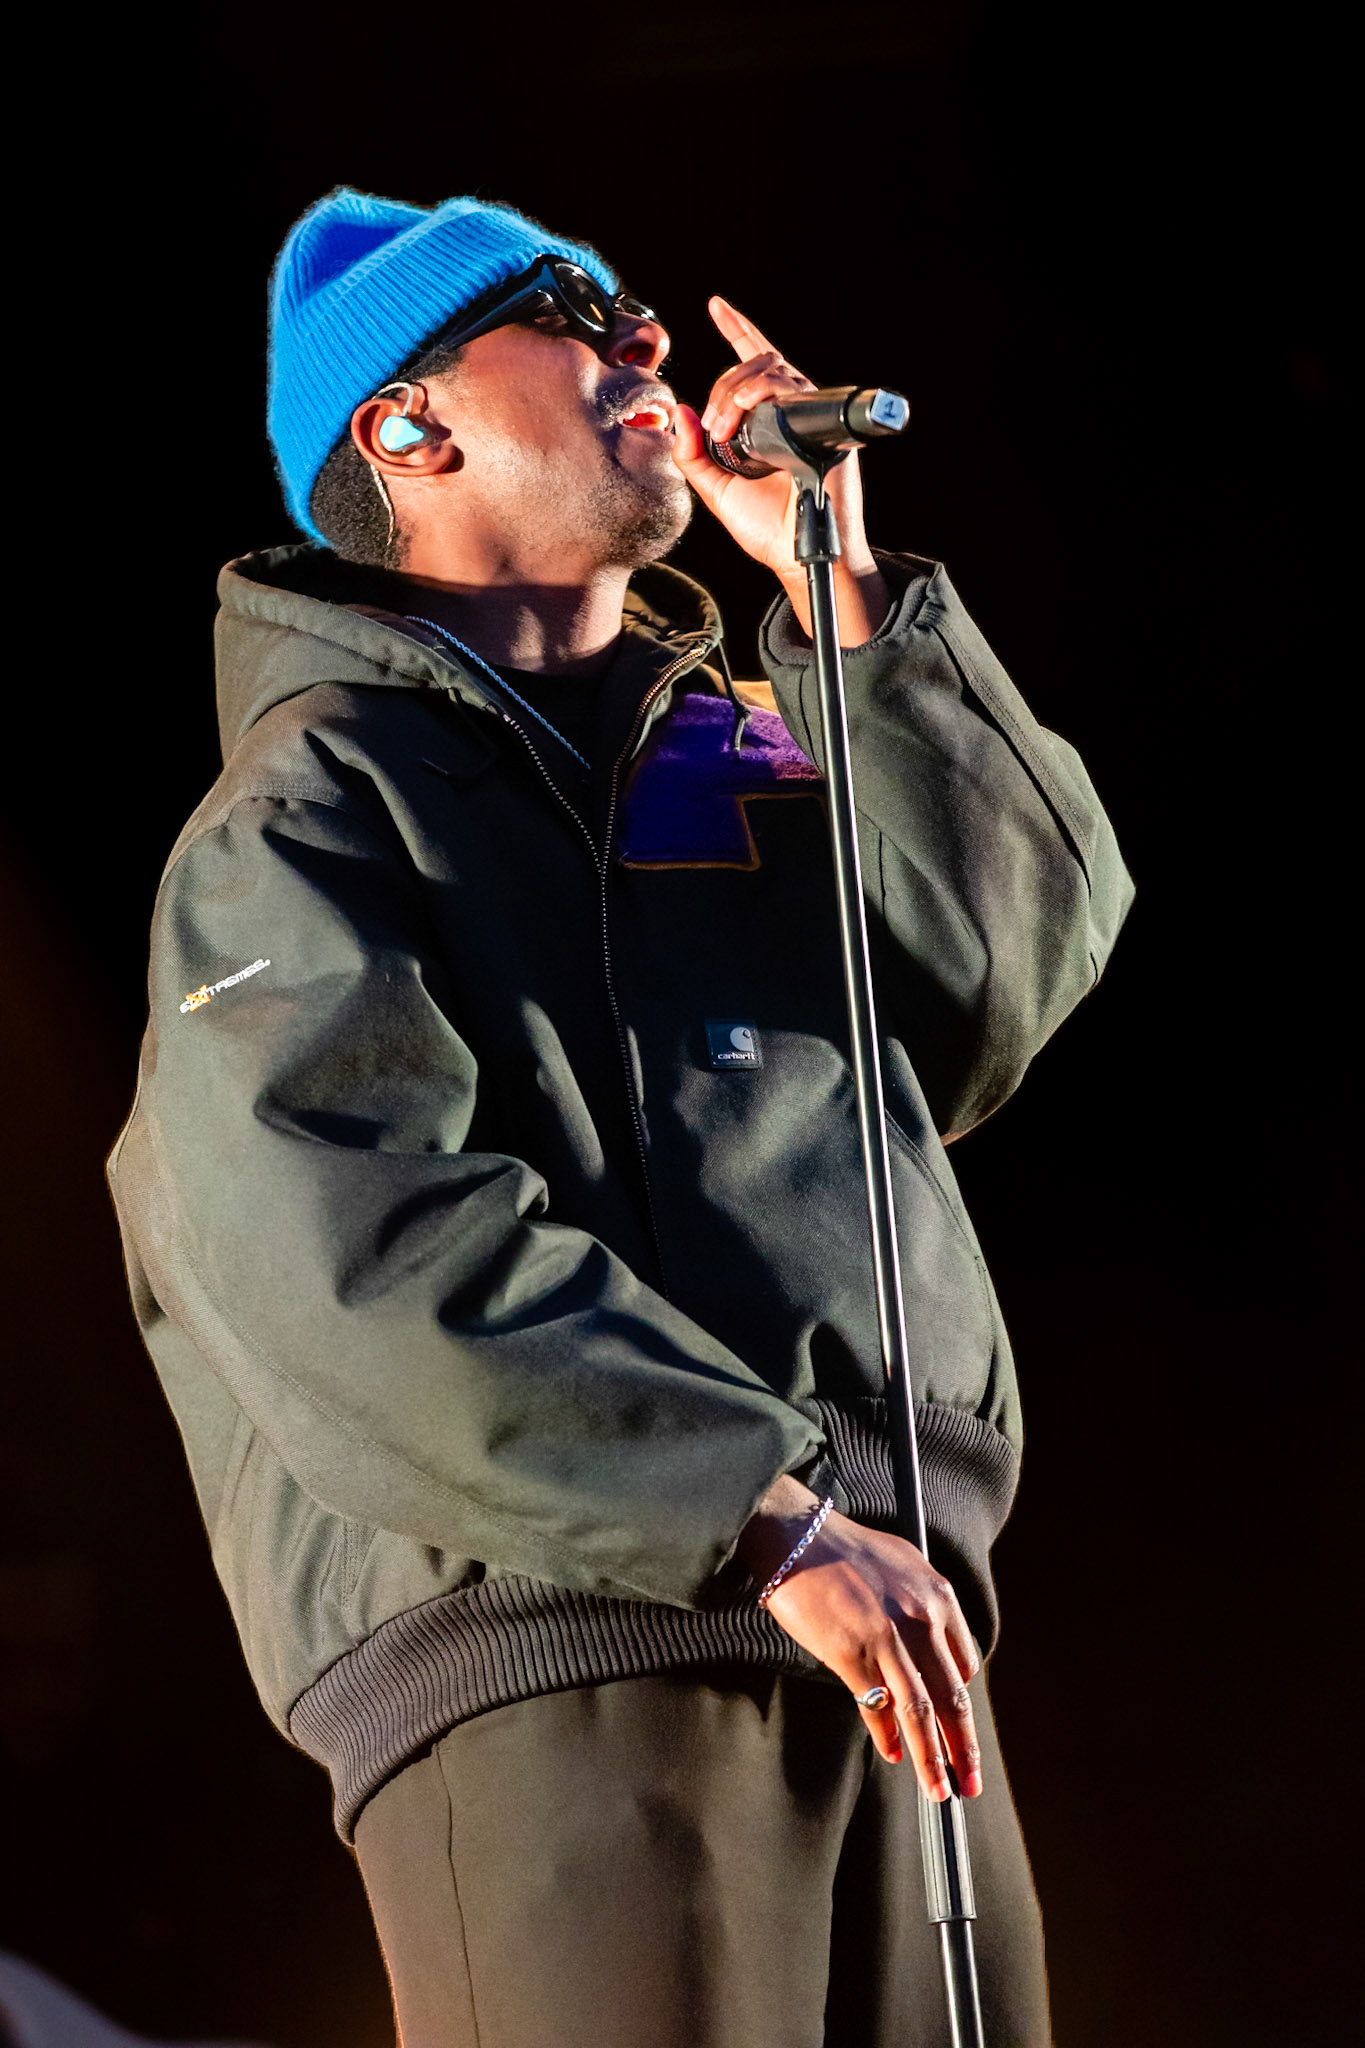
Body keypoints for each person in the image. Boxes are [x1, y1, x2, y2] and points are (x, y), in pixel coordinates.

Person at [108, 188, 1133, 2048]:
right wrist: (751, 1516)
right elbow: (346, 1244)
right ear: (404, 427)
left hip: (888, 1601)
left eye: (632, 307)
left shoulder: (733, 740)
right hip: (555, 1635)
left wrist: (833, 586)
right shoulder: (308, 807)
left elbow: (987, 993)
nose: (644, 339)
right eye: (568, 313)